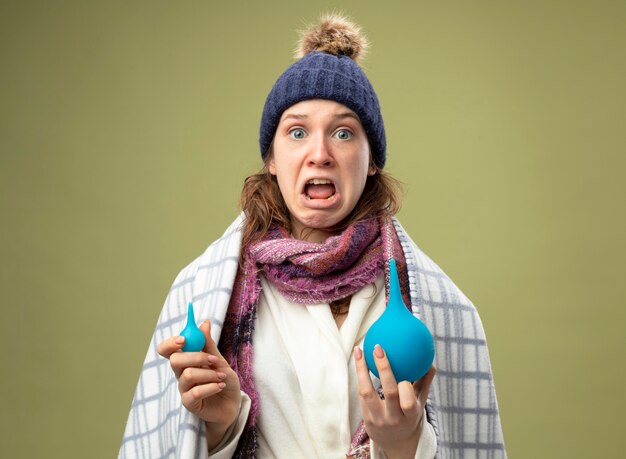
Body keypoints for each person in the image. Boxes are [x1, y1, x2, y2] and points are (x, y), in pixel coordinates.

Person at [119, 14, 506, 459]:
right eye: (298, 132)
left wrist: (403, 444)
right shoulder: (203, 295)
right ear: (271, 158)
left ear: (373, 159)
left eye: (343, 133)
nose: (319, 154)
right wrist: (221, 425)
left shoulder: (443, 308)